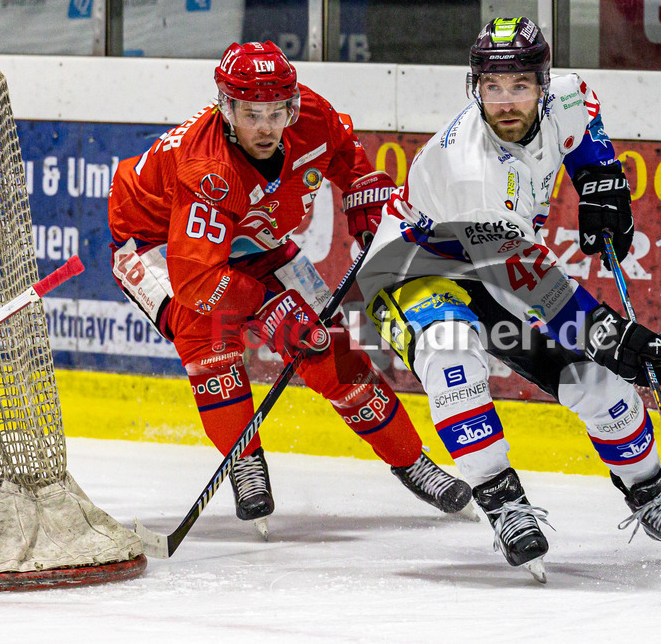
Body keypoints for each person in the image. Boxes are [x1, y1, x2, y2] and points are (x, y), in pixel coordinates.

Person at [357, 17, 661, 581]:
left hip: (495, 264)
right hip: (413, 269)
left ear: (543, 83)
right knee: (451, 355)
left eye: (519, 86)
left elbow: (587, 138)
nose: (505, 102)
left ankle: (650, 496)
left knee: (595, 382)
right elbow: (542, 291)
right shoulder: (472, 171)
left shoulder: (568, 95)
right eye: (491, 88)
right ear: (475, 88)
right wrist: (615, 337)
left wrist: (601, 184)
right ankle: (499, 498)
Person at [108, 41, 472, 538]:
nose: (265, 126)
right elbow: (197, 281)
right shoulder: (207, 170)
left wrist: (364, 194)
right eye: (251, 113)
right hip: (160, 246)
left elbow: (344, 151)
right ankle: (245, 459)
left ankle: (411, 462)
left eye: (276, 112)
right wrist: (270, 310)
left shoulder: (313, 118)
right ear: (226, 107)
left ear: (292, 105)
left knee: (328, 347)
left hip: (251, 235)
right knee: (209, 340)